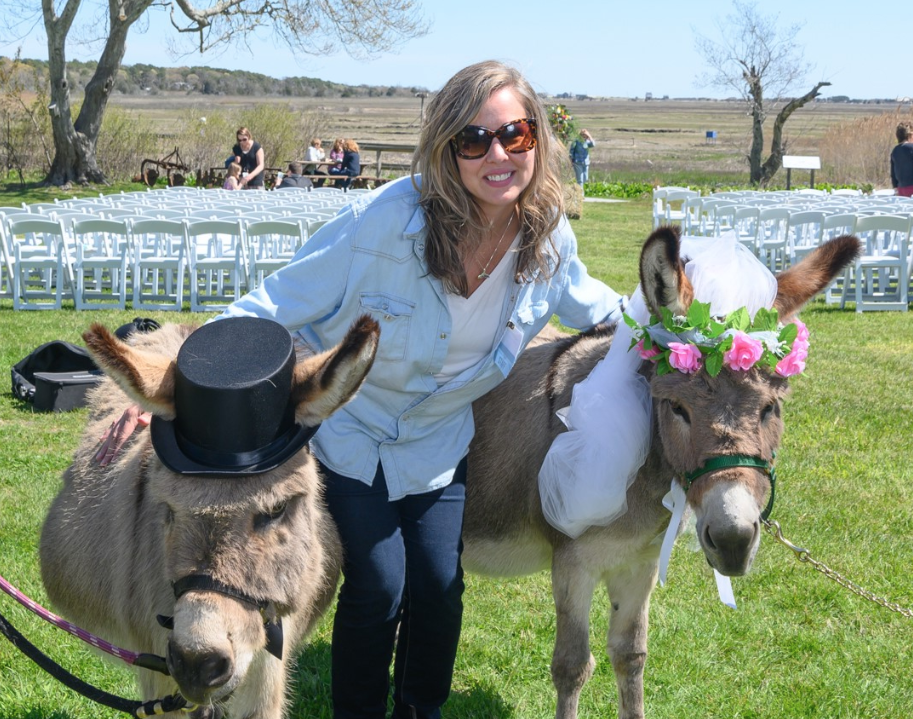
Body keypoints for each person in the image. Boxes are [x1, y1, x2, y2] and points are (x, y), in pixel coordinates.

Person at [94, 59, 625, 719]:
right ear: (445, 148)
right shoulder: (385, 222)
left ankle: (418, 711)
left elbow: (606, 308)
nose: (496, 154)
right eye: (474, 139)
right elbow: (276, 300)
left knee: (438, 585)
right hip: (352, 433)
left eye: (513, 136)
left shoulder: (548, 241)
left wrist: (694, 325)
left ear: (537, 140)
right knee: (377, 583)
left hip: (438, 442)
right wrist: (185, 377)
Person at [890, 122, 913, 197]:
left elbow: (893, 174)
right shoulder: (911, 148)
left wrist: (895, 188)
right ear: (910, 135)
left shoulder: (894, 151)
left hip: (901, 190)